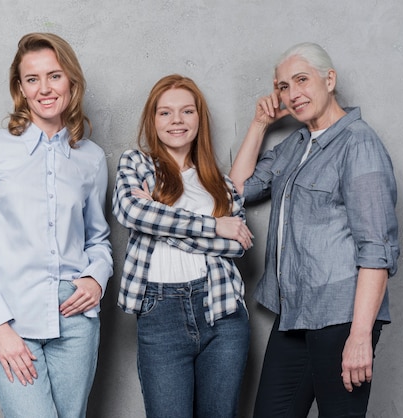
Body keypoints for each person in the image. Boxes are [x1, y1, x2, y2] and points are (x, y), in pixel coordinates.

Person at [229, 42, 400, 417]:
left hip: (341, 318)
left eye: (301, 80)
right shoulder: (298, 145)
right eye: (283, 86)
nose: (293, 94)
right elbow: (238, 190)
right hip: (294, 315)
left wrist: (359, 336)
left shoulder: (359, 145)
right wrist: (260, 123)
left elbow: (377, 249)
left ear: (330, 79)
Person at [0, 32, 113, 418]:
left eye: (54, 76)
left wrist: (96, 278)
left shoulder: (90, 158)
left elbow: (99, 238)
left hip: (76, 318)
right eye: (32, 79)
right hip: (12, 315)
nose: (45, 88)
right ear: (20, 89)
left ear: (71, 82)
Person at [112, 74, 254, 418]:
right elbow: (131, 212)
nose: (177, 120)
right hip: (159, 312)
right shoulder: (137, 164)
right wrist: (213, 226)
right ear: (153, 119)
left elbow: (238, 245)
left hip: (222, 311)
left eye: (187, 111)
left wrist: (160, 218)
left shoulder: (218, 182)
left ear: (199, 119)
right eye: (166, 113)